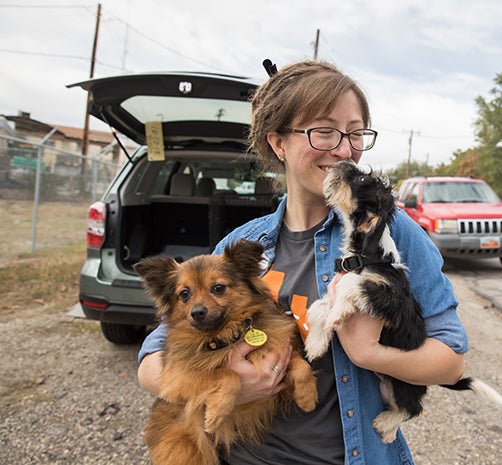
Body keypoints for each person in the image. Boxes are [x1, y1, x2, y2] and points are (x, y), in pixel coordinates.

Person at [137, 60, 469, 465]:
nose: (346, 149)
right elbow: (152, 360)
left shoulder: (388, 231)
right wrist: (227, 387)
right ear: (279, 143)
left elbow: (451, 363)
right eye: (325, 131)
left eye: (356, 132)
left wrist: (370, 355)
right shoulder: (243, 246)